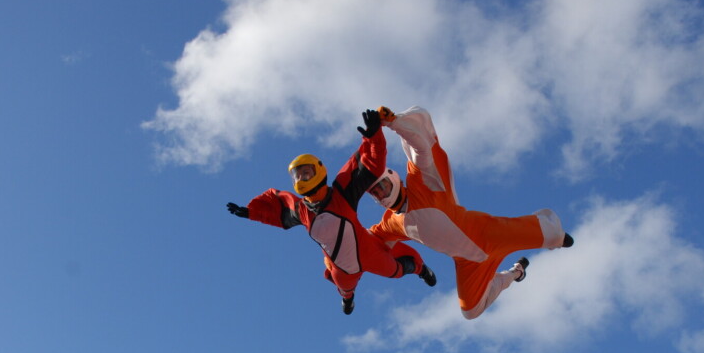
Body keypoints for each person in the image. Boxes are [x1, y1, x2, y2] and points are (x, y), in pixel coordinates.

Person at [366, 106, 574, 320]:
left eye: (382, 187)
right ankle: (516, 272)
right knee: (470, 311)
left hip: (486, 233)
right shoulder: (391, 223)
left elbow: (420, 147)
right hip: (468, 262)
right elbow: (366, 239)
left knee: (554, 235)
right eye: (375, 193)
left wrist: (392, 123)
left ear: (394, 178)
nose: (381, 195)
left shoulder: (421, 182)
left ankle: (555, 238)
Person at [226, 109, 436, 315]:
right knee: (344, 287)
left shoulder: (341, 192)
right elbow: (278, 213)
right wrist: (251, 212)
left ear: (319, 171)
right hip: (343, 267)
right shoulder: (301, 210)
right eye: (297, 176)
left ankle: (421, 269)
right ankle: (348, 298)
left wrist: (374, 135)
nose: (301, 179)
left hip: (368, 251)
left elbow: (370, 163)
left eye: (306, 173)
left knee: (397, 271)